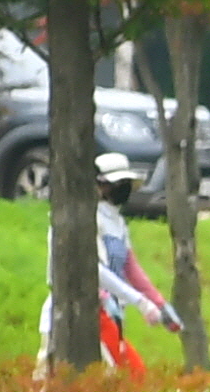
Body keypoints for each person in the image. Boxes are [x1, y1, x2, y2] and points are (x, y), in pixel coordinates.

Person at [41, 150, 182, 377]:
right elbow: (92, 270)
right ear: (100, 185)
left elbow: (131, 268)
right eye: (117, 184)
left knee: (130, 376)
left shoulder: (117, 222)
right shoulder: (88, 219)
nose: (121, 189)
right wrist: (136, 302)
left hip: (109, 314)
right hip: (84, 313)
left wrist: (159, 304)